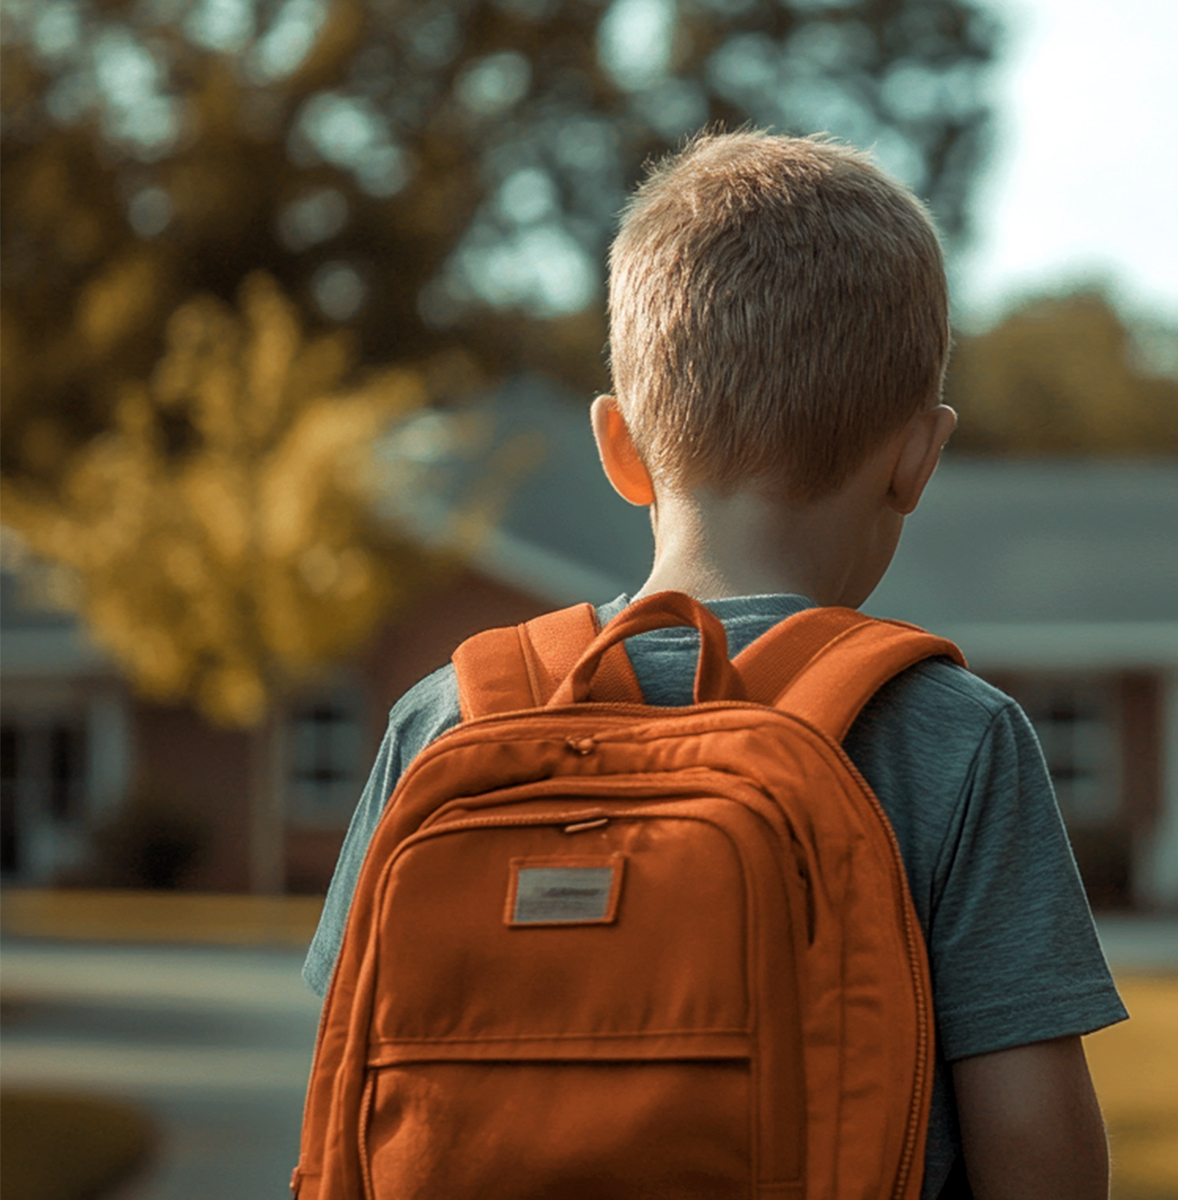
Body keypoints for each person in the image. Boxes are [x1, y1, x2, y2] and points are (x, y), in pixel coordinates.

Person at [303, 130, 1124, 1200]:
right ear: (918, 457)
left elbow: (346, 1065)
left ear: (618, 447)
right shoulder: (949, 735)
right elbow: (1038, 1155)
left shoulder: (452, 716)